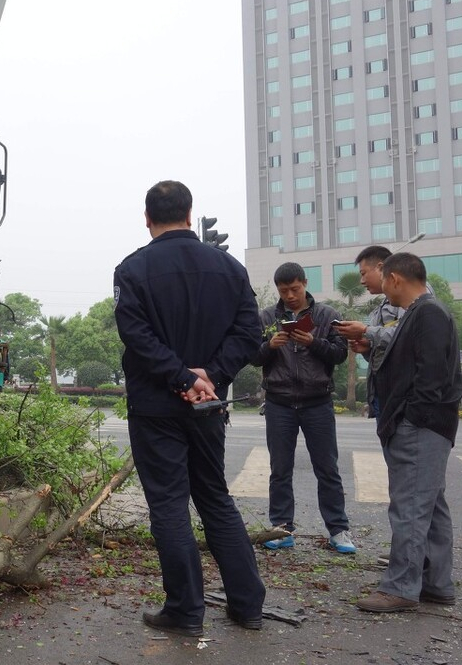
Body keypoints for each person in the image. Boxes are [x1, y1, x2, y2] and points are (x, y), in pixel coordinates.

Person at [114, 180, 265, 636]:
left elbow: (137, 338)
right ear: (189, 212)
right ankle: (247, 605)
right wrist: (210, 377)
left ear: (147, 218)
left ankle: (185, 610)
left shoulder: (132, 270)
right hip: (208, 405)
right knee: (215, 497)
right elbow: (248, 335)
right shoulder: (229, 268)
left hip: (157, 407)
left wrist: (183, 378)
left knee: (169, 505)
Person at [355, 253, 462, 613]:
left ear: (396, 279)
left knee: (411, 507)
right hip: (424, 424)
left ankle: (400, 587)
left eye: (384, 280)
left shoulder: (428, 313)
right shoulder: (420, 314)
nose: (382, 288)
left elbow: (430, 376)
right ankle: (436, 582)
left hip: (420, 426)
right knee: (430, 505)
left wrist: (409, 419)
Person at [251, 263, 356, 554]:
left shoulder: (327, 315)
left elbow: (338, 354)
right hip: (279, 402)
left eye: (295, 289)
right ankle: (282, 529)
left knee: (327, 468)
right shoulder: (268, 317)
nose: (290, 296)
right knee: (280, 469)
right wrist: (269, 345)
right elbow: (253, 357)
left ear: (305, 284)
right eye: (284, 291)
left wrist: (313, 342)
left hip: (317, 401)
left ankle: (338, 530)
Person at [333, 246, 402, 419]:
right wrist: (367, 348)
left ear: (381, 267)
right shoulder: (385, 303)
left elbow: (407, 334)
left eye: (364, 273)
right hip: (386, 390)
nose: (362, 281)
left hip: (403, 393)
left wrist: (365, 330)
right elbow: (386, 349)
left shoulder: (411, 295)